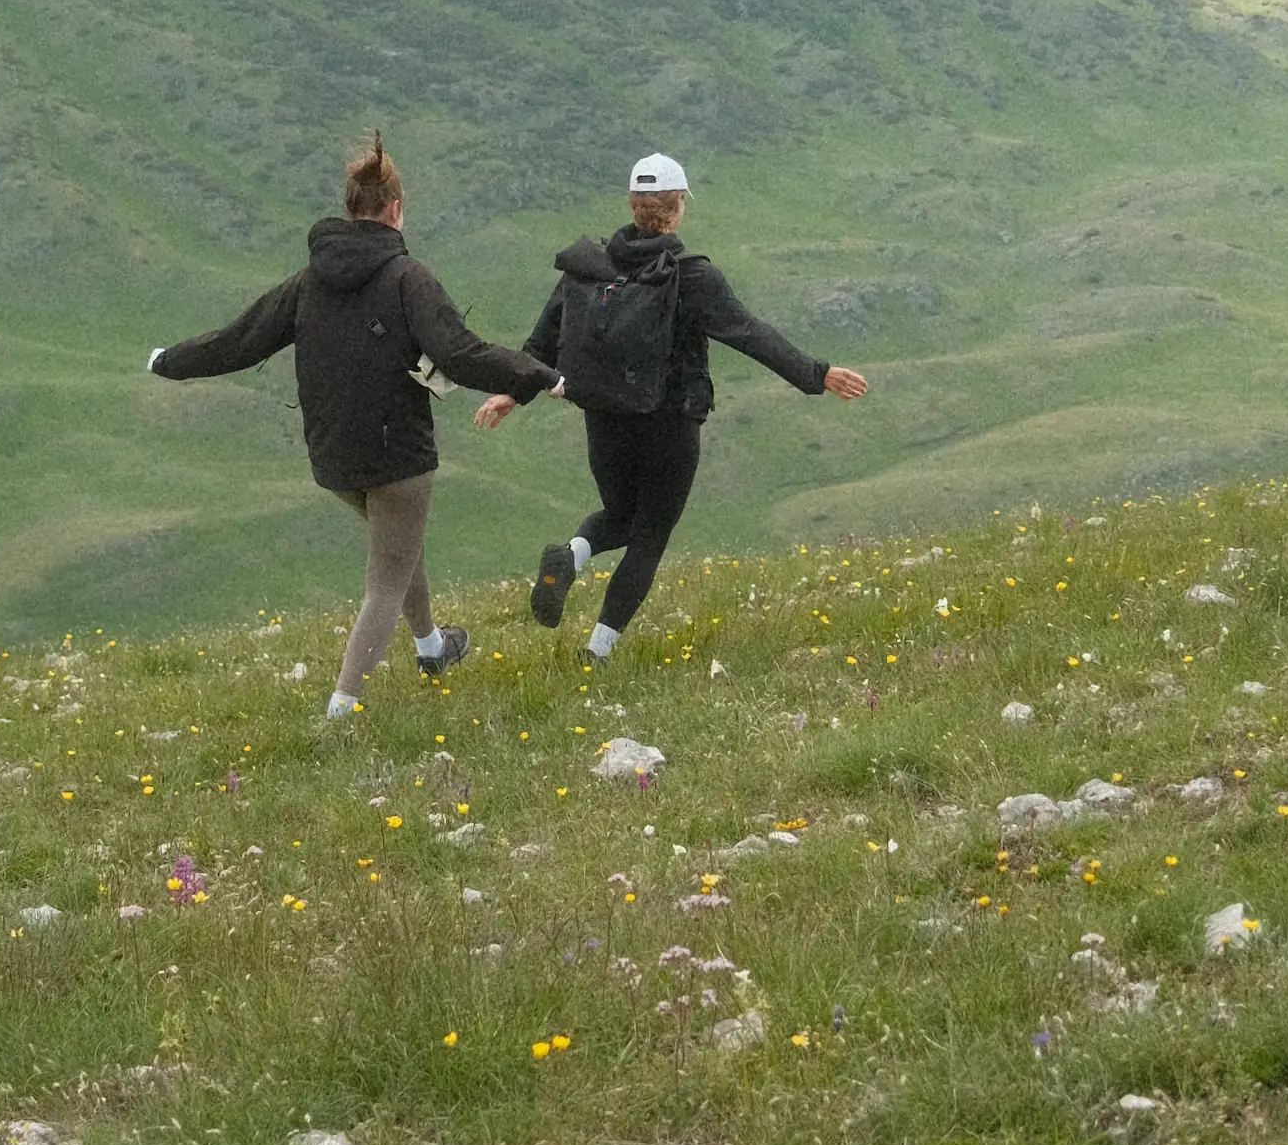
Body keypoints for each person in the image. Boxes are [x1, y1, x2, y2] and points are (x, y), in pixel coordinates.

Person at [147, 132, 558, 717]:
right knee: (387, 577)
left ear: (350, 208)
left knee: (398, 545)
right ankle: (341, 710)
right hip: (400, 458)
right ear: (395, 209)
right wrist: (539, 374)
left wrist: (168, 361)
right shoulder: (407, 277)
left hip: (335, 457)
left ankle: (433, 648)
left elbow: (239, 341)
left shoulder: (307, 282)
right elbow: (461, 352)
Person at [477, 150, 866, 658]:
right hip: (670, 423)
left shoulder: (589, 267)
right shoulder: (690, 276)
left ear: (633, 205)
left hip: (604, 418)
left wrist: (512, 391)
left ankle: (571, 556)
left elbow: (543, 342)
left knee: (619, 515)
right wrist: (818, 374)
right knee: (651, 534)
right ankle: (596, 654)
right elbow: (749, 333)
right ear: (678, 207)